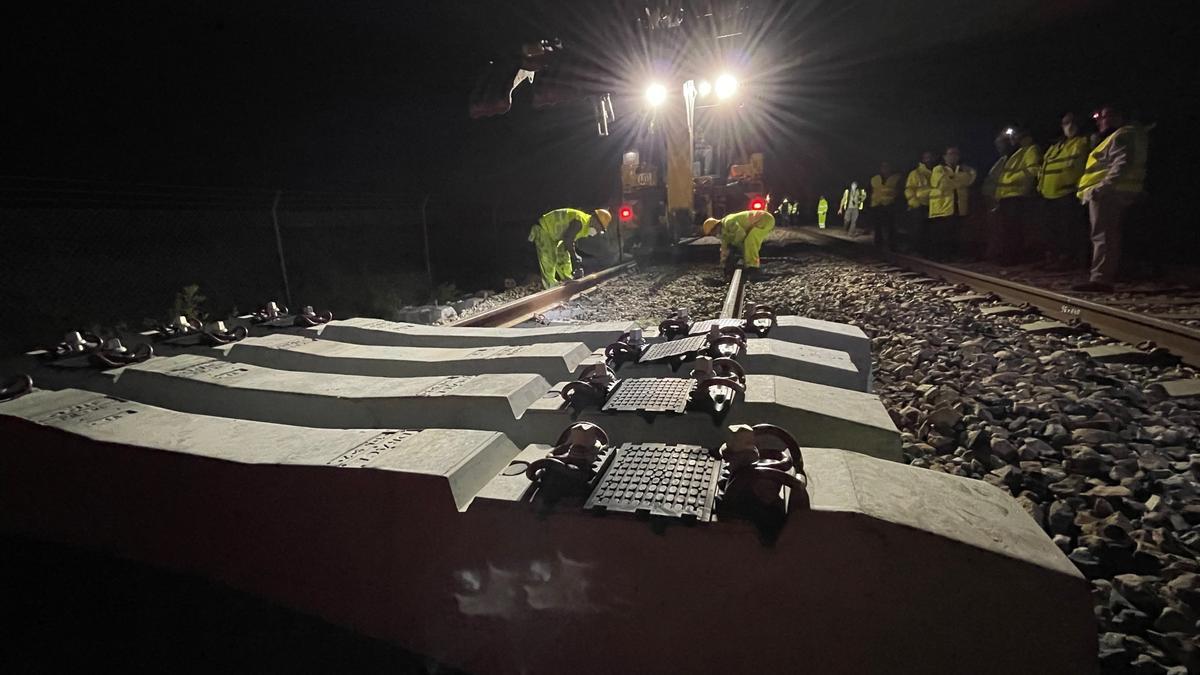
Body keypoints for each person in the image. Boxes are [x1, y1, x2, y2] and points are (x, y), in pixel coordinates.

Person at [1073, 104, 1149, 292]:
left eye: (1103, 116)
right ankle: (1105, 275)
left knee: (1103, 236)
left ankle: (1101, 279)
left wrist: (1102, 188)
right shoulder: (1129, 134)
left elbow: (1122, 164)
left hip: (1109, 193)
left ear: (1119, 117)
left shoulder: (1122, 135)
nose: (1099, 121)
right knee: (1108, 235)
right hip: (1115, 191)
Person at [1038, 112, 1092, 269]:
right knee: (1051, 230)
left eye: (1072, 122)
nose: (1069, 126)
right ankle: (1053, 258)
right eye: (1066, 123)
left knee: (1069, 230)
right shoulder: (1056, 146)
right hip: (1048, 193)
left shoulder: (1084, 141)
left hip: (1069, 192)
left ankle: (1068, 259)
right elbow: (1044, 168)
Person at [993, 128, 1043, 264]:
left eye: (1015, 136)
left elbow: (1033, 170)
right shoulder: (1010, 154)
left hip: (1018, 195)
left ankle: (1013, 257)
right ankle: (1007, 255)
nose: (1012, 139)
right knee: (1007, 229)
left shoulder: (1029, 150)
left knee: (1014, 229)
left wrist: (1011, 179)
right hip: (1005, 196)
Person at [528, 208, 612, 288]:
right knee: (549, 258)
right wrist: (575, 256)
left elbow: (569, 242)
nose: (597, 230)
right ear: (594, 218)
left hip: (555, 235)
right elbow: (568, 239)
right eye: (599, 227)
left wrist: (574, 258)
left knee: (564, 254)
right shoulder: (580, 221)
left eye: (600, 229)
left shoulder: (585, 226)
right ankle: (550, 286)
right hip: (544, 229)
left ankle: (567, 278)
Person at [926, 147, 977, 260]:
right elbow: (944, 184)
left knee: (956, 233)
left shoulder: (962, 169)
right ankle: (942, 256)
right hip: (942, 207)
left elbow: (970, 180)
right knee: (943, 233)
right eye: (950, 154)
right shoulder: (938, 169)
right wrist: (960, 180)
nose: (953, 156)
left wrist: (953, 178)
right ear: (944, 156)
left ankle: (954, 255)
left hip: (958, 206)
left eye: (956, 154)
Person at [702, 208, 776, 277]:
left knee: (750, 241)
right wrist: (724, 263)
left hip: (764, 219)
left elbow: (741, 234)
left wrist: (734, 246)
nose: (714, 235)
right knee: (745, 243)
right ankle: (750, 265)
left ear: (716, 226)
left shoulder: (728, 222)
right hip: (759, 221)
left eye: (713, 232)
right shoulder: (724, 233)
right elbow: (724, 248)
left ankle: (753, 268)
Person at [982, 133, 1012, 262]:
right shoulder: (1000, 161)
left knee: (1003, 229)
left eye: (1002, 144)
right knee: (995, 230)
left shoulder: (1009, 159)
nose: (999, 147)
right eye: (998, 145)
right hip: (995, 198)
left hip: (1003, 197)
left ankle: (1001, 255)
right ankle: (995, 254)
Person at [869, 162, 902, 249]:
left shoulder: (896, 178)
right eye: (883, 167)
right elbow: (871, 191)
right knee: (878, 226)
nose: (885, 169)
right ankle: (878, 244)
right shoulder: (875, 179)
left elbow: (899, 191)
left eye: (887, 167)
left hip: (890, 205)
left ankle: (892, 245)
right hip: (877, 205)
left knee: (891, 226)